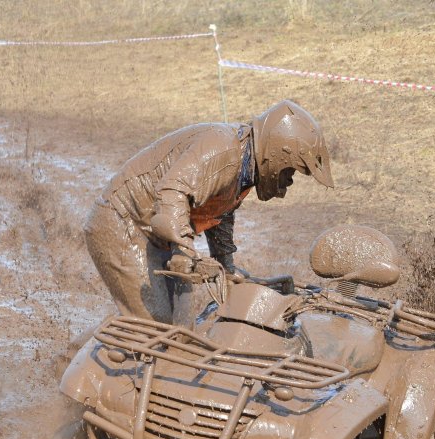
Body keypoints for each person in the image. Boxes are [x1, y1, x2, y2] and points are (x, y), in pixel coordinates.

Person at [84, 100, 334, 324]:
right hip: (123, 222)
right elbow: (172, 190)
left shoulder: (244, 166)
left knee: (172, 323)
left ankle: (83, 353)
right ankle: (79, 359)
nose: (288, 181)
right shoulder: (224, 150)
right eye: (290, 171)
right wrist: (184, 249)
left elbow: (218, 213)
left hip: (154, 230)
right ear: (278, 154)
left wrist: (226, 267)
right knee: (156, 325)